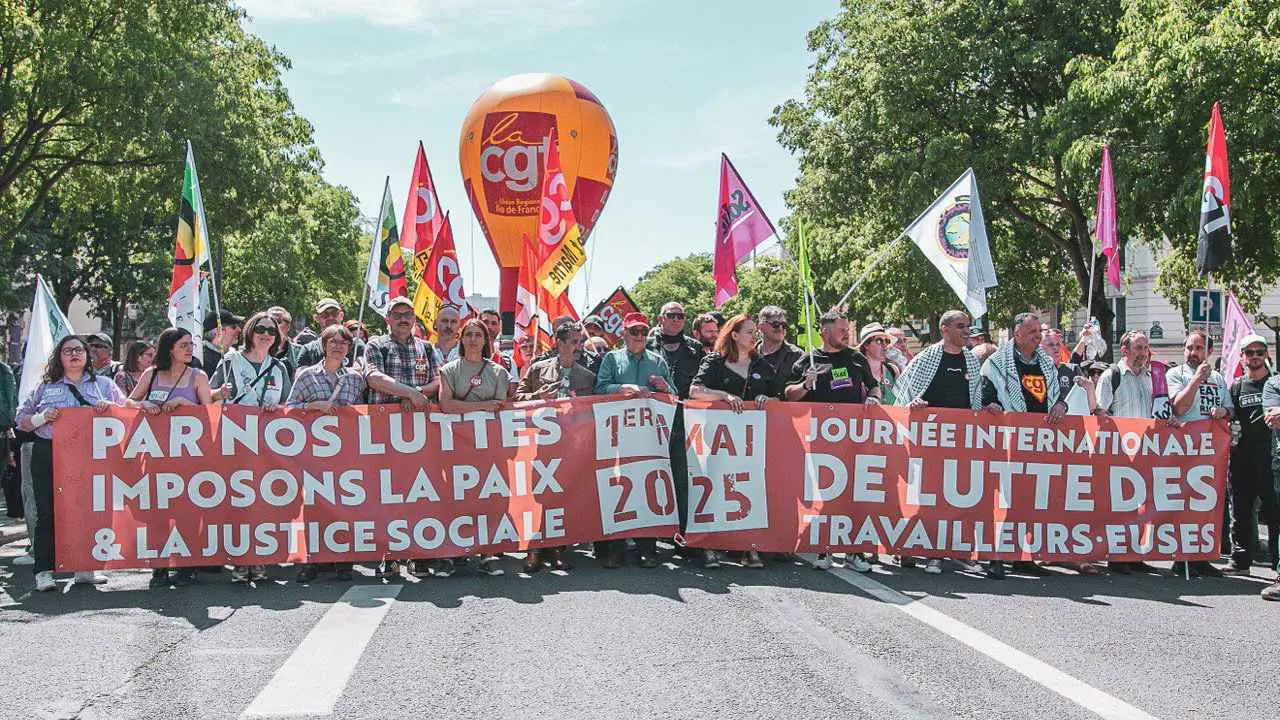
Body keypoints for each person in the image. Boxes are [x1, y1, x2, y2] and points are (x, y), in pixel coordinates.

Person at [287, 323, 424, 582]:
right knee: (314, 507)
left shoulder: (354, 378)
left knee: (344, 505)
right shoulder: (306, 375)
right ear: (323, 345)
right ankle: (312, 562)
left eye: (344, 343)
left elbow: (362, 410)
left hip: (346, 454)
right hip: (314, 453)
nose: (338, 347)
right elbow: (290, 408)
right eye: (333, 342)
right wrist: (312, 405)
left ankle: (343, 561)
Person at [17, 335, 128, 591]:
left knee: (86, 510)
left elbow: (127, 414)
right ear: (59, 357)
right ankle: (44, 571)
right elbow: (21, 419)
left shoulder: (104, 385)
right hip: (49, 451)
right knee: (47, 511)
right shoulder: (45, 387)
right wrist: (41, 418)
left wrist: (111, 408)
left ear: (88, 356)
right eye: (68, 351)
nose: (74, 354)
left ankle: (84, 568)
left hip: (90, 454)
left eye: (79, 350)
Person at [785, 310, 881, 572]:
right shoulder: (808, 360)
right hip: (820, 441)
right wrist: (806, 384)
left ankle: (854, 552)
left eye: (847, 330)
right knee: (825, 495)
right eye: (841, 330)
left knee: (853, 495)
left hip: (853, 439)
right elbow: (789, 394)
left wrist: (873, 397)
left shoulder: (856, 358)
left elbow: (873, 385)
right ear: (825, 332)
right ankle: (823, 548)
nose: (846, 334)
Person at [893, 310, 983, 575]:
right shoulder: (927, 358)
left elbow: (975, 399)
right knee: (922, 496)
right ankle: (909, 547)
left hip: (959, 442)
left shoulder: (971, 360)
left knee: (955, 497)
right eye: (960, 326)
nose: (966, 331)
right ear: (945, 329)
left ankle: (950, 550)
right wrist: (913, 405)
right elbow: (905, 395)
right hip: (927, 440)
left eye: (968, 326)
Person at [978, 312, 1064, 579]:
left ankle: (1022, 555)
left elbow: (1057, 395)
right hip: (1005, 443)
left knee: (1028, 501)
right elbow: (984, 396)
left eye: (1039, 332)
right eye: (1032, 332)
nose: (1038, 337)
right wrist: (992, 405)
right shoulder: (996, 364)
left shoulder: (1046, 363)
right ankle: (994, 556)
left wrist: (1061, 405)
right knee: (1001, 502)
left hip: (1038, 443)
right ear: (1017, 335)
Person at [209, 311, 294, 583]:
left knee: (264, 502)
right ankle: (239, 558)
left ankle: (259, 556)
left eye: (271, 330)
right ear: (250, 332)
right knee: (238, 502)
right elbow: (208, 398)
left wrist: (277, 409)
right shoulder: (230, 361)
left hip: (267, 448)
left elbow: (289, 406)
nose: (266, 334)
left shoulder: (278, 368)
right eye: (261, 329)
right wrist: (219, 394)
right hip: (235, 444)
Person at [131, 327, 218, 587]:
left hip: (189, 458)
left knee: (187, 512)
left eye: (191, 344)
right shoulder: (151, 374)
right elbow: (128, 403)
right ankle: (158, 567)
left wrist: (185, 403)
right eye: (183, 345)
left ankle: (186, 565)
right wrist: (144, 404)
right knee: (157, 512)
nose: (190, 349)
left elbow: (210, 414)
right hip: (156, 456)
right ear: (169, 349)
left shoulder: (198, 376)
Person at [688, 314, 776, 569]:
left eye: (755, 331)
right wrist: (724, 396)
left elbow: (778, 397)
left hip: (751, 441)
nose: (754, 336)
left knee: (749, 488)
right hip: (718, 438)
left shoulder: (761, 365)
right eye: (749, 331)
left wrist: (767, 400)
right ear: (734, 335)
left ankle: (748, 546)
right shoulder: (714, 362)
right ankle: (708, 545)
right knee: (714, 486)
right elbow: (695, 391)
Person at [595, 312, 676, 568]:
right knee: (618, 487)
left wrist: (665, 387)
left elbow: (674, 395)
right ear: (624, 334)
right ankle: (616, 548)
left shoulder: (658, 361)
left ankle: (647, 549)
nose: (639, 336)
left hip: (649, 437)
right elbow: (600, 388)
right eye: (634, 331)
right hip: (618, 436)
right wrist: (623, 388)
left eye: (643, 331)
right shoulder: (612, 358)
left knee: (649, 487)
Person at [514, 321, 596, 572]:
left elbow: (596, 408)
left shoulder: (587, 376)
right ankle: (534, 548)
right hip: (540, 442)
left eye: (580, 341)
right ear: (559, 343)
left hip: (572, 445)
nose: (579, 346)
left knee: (563, 494)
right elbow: (516, 398)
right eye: (573, 342)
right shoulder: (538, 369)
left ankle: (559, 548)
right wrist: (538, 397)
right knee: (536, 495)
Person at [364, 296, 437, 577]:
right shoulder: (377, 345)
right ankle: (389, 554)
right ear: (388, 319)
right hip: (384, 433)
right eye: (397, 314)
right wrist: (409, 393)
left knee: (419, 493)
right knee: (387, 496)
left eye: (408, 314)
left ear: (414, 319)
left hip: (419, 433)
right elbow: (373, 378)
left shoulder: (426, 347)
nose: (403, 318)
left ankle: (417, 553)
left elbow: (437, 381)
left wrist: (417, 395)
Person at [437, 318, 513, 577]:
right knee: (456, 498)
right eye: (468, 334)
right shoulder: (449, 370)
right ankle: (451, 553)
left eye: (478, 335)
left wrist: (469, 407)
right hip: (455, 445)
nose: (473, 339)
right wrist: (481, 406)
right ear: (462, 339)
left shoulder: (499, 372)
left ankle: (487, 554)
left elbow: (498, 406)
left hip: (488, 445)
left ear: (485, 340)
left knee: (488, 498)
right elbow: (447, 405)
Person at [1166, 330, 1233, 578]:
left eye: (1198, 348)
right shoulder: (1176, 374)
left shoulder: (1218, 378)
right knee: (1184, 502)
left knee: (1207, 505)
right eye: (1189, 348)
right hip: (1184, 450)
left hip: (1211, 452)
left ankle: (1202, 556)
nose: (1193, 353)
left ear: (1209, 352)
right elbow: (1179, 407)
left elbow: (1230, 409)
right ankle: (1182, 558)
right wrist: (1196, 380)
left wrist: (1224, 411)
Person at [1224, 335, 1278, 586]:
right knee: (1240, 511)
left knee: (1275, 513)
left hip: (1270, 459)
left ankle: (1277, 563)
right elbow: (1229, 414)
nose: (1254, 356)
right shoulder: (1236, 386)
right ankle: (1240, 560)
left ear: (1266, 355)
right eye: (1249, 352)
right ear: (1242, 357)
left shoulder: (1274, 384)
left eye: (1259, 352)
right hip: (1241, 458)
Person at [297, 300, 365, 369]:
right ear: (316, 318)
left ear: (341, 316)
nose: (330, 317)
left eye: (334, 314)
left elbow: (361, 365)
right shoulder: (309, 350)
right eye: (325, 315)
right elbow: (301, 373)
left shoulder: (356, 345)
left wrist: (358, 367)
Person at [756, 305, 803, 397]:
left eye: (784, 325)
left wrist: (778, 399)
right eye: (776, 325)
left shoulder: (797, 355)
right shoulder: (747, 354)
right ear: (761, 327)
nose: (781, 328)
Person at [859, 322, 899, 405]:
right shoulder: (856, 372)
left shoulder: (893, 370)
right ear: (866, 345)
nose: (885, 345)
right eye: (879, 341)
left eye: (887, 341)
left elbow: (902, 400)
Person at [265, 306, 304, 376]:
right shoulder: (256, 351)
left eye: (277, 321)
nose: (272, 325)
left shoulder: (300, 352)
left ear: (288, 326)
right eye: (269, 321)